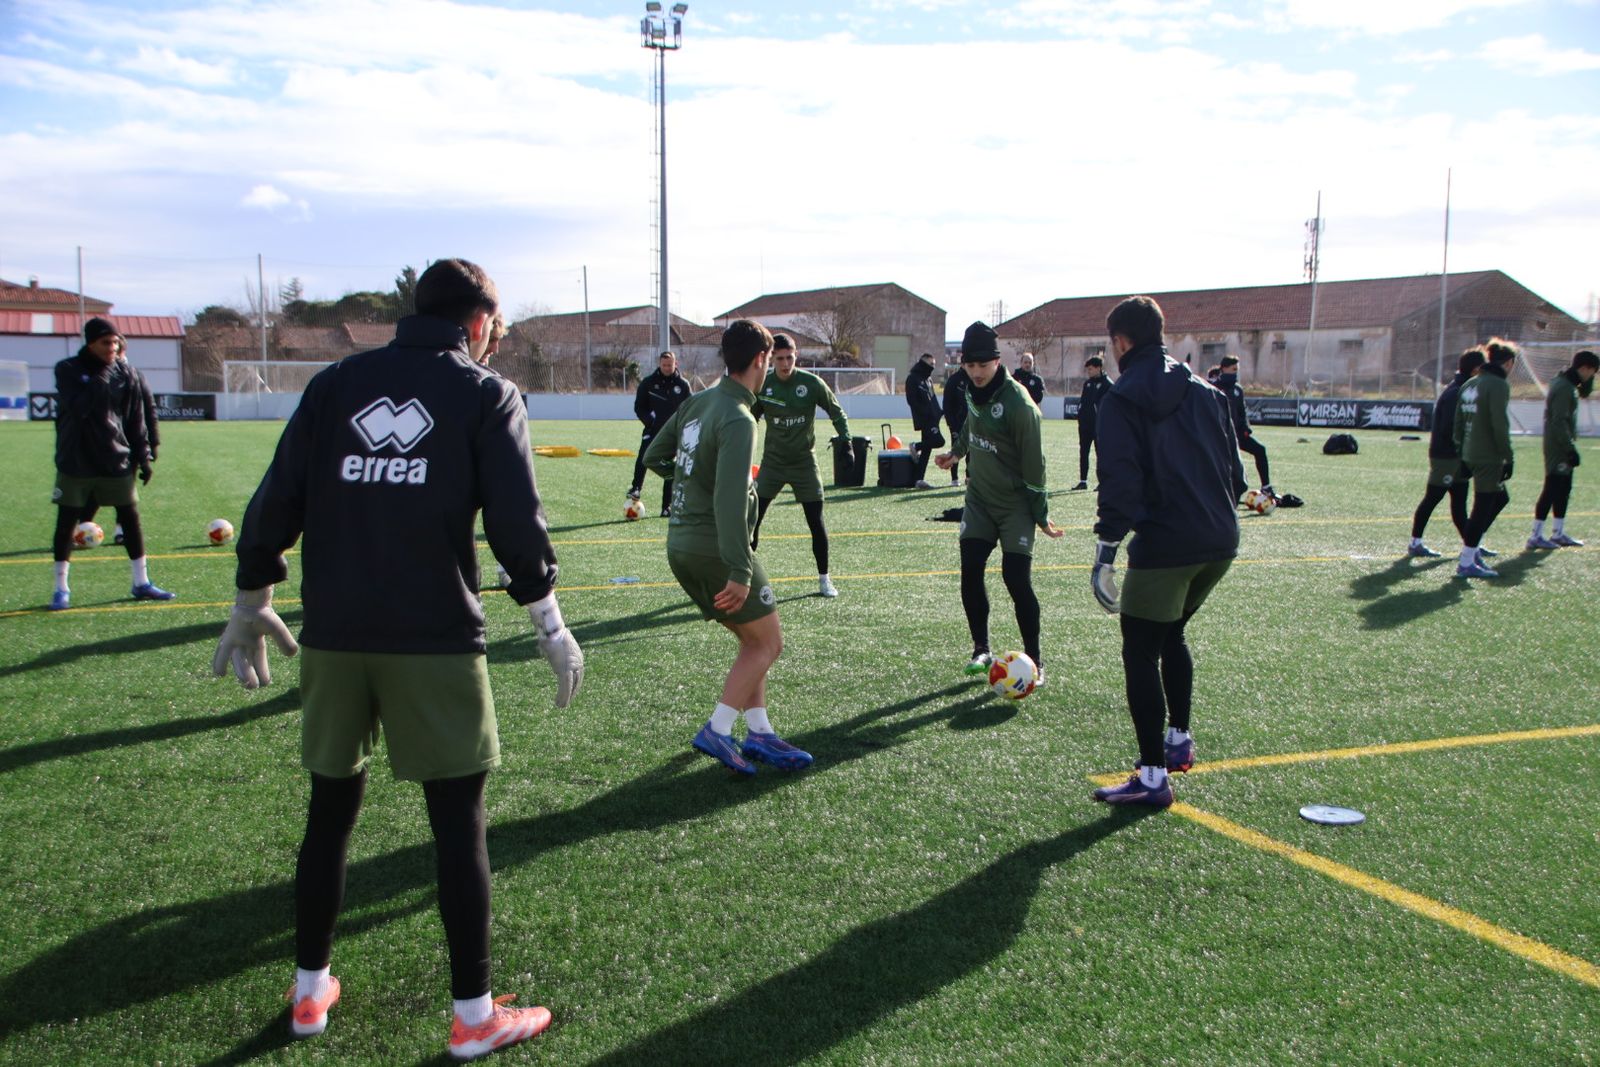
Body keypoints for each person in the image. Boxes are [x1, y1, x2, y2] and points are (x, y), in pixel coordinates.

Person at [212, 258, 582, 1058]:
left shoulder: (337, 383)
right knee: (457, 826)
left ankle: (310, 992)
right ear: (479, 322)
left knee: (329, 813)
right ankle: (474, 1016)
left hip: (336, 637)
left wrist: (251, 597)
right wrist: (548, 619)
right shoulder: (486, 393)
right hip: (435, 639)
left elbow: (277, 496)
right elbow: (517, 522)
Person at [1089, 297, 1243, 808]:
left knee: (1139, 648)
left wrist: (1106, 551)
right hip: (1221, 540)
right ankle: (1178, 741)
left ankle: (1153, 776)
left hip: (1167, 542)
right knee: (1171, 632)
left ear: (1120, 342)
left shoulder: (1121, 398)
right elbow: (1236, 475)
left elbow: (1120, 480)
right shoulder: (1207, 390)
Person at [643, 319, 812, 775]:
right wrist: (739, 570)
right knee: (769, 644)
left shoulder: (697, 402)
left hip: (680, 545)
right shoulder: (739, 419)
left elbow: (655, 457)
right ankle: (718, 729)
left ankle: (759, 731)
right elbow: (732, 500)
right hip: (717, 548)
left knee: (751, 639)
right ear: (760, 359)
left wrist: (692, 483)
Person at [934, 322, 1063, 684]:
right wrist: (956, 453)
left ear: (997, 361)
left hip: (1015, 506)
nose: (975, 373)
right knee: (970, 569)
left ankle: (1035, 660)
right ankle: (981, 648)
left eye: (982, 366)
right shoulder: (971, 390)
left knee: (1015, 579)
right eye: (969, 366)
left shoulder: (1020, 405)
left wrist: (1041, 515)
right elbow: (973, 428)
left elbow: (1035, 466)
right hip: (979, 499)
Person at [47, 316, 172, 610]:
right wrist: (102, 374)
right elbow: (79, 408)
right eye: (106, 342)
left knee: (130, 519)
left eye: (116, 342)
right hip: (75, 461)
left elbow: (134, 418)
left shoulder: (126, 374)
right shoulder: (67, 370)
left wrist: (143, 456)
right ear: (90, 343)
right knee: (66, 523)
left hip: (115, 459)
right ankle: (60, 588)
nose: (113, 347)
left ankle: (141, 582)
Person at [750, 332, 851, 598]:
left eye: (790, 357)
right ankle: (744, 578)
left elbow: (836, 410)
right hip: (772, 463)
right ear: (771, 358)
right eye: (780, 358)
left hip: (805, 462)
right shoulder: (763, 386)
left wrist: (847, 441)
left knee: (816, 522)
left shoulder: (811, 383)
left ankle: (824, 580)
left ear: (796, 356)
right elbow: (748, 418)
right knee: (752, 520)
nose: (785, 364)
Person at [1406, 347, 1485, 557]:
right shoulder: (1456, 393)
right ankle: (1415, 543)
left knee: (1459, 504)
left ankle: (1471, 544)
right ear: (1476, 369)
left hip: (1458, 457)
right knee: (1432, 498)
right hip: (1446, 457)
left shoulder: (1464, 389)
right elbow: (1449, 429)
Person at [81, 335, 159, 546]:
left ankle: (120, 530)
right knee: (94, 489)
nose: (113, 354)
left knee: (125, 492)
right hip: (101, 444)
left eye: (117, 350)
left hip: (130, 443)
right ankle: (82, 528)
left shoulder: (134, 376)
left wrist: (154, 443)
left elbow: (148, 410)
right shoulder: (94, 376)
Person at [1452, 338, 1517, 578]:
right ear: (1508, 363)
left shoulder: (1469, 384)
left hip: (1470, 452)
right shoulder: (1497, 385)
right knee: (1483, 505)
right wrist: (1508, 457)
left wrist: (1462, 453)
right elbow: (1499, 424)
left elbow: (1458, 424)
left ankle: (1471, 546)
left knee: (1499, 498)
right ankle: (1468, 557)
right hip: (1488, 454)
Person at [1528, 349, 1597, 549]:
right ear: (1584, 368)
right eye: (1592, 372)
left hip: (1561, 442)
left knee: (1563, 488)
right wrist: (1569, 448)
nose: (1592, 376)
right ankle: (1535, 535)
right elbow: (1558, 421)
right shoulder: (1564, 387)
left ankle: (1558, 532)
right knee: (1552, 487)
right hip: (1557, 445)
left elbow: (1584, 392)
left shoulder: (1567, 383)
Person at [628, 351, 692, 517]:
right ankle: (636, 488)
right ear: (659, 364)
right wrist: (650, 421)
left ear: (675, 364)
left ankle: (666, 507)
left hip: (676, 434)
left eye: (669, 365)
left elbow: (691, 409)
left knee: (671, 467)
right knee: (644, 457)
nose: (666, 368)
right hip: (653, 430)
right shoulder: (649, 383)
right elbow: (639, 407)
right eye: (664, 365)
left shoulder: (683, 385)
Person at [1216, 355, 1274, 499]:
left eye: (1237, 370)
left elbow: (1242, 412)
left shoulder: (1238, 390)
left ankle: (1266, 488)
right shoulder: (1214, 388)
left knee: (1260, 450)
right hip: (1221, 436)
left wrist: (1246, 429)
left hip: (1238, 436)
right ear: (1223, 368)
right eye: (1233, 369)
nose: (1236, 373)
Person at [905, 351, 945, 489]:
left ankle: (918, 479)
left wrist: (939, 412)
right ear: (923, 363)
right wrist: (925, 413)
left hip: (933, 418)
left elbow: (932, 398)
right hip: (925, 419)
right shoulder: (913, 378)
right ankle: (915, 446)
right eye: (930, 364)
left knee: (927, 448)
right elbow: (911, 400)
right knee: (938, 441)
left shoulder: (928, 380)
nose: (932, 367)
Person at [1073, 355, 1111, 490]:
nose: (1088, 372)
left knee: (1100, 454)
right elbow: (1083, 402)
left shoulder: (1108, 385)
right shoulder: (1087, 384)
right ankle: (1083, 481)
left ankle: (1103, 482)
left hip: (1099, 426)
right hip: (1085, 426)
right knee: (1084, 452)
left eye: (1090, 369)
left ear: (1098, 368)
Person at [941, 360, 972, 486]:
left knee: (972, 451)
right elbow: (947, 403)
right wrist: (951, 423)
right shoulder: (954, 380)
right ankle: (954, 478)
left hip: (972, 422)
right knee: (956, 449)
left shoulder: (975, 379)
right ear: (963, 364)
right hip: (957, 422)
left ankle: (969, 477)